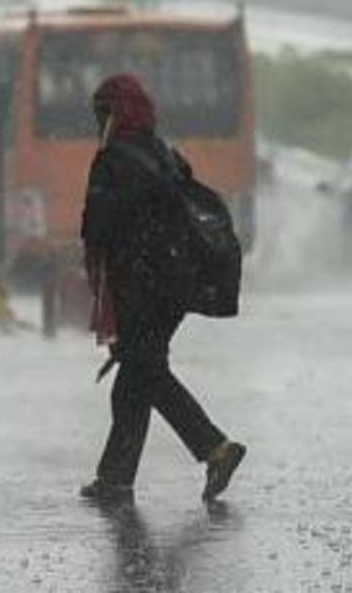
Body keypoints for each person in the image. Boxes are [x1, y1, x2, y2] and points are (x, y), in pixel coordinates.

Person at [78, 73, 247, 504]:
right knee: (135, 377)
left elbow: (97, 225)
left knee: (146, 373)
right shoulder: (164, 154)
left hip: (139, 285)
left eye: (102, 113)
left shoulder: (113, 160)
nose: (98, 122)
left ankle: (215, 447)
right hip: (176, 285)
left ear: (115, 114)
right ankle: (115, 480)